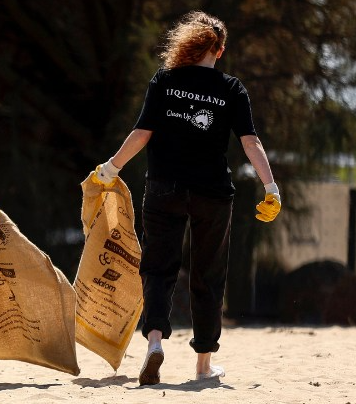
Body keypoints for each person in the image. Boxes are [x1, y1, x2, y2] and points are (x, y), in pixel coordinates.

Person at [91, 11, 281, 385]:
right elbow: (250, 142)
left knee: (158, 268)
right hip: (212, 192)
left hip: (164, 187)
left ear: (188, 45)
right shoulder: (232, 89)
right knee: (209, 274)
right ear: (220, 50)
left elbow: (142, 133)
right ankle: (203, 365)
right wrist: (271, 187)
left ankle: (155, 343)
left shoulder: (164, 80)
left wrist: (111, 168)